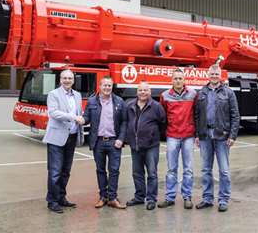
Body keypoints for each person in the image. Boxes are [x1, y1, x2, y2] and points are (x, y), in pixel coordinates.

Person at [195, 64, 240, 212]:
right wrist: (197, 134)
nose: (214, 76)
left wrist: (232, 135)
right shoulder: (201, 92)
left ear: (220, 76)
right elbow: (197, 115)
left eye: (216, 74)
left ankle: (223, 199)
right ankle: (207, 199)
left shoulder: (228, 93)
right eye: (212, 74)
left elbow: (235, 115)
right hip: (205, 136)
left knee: (224, 170)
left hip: (222, 136)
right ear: (208, 75)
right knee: (206, 169)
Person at [43, 69, 85, 214]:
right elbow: (53, 113)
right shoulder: (53, 94)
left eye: (70, 78)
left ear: (73, 80)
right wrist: (73, 117)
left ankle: (61, 197)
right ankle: (52, 201)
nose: (67, 80)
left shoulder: (78, 95)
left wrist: (81, 119)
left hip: (72, 137)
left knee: (66, 171)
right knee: (55, 172)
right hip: (56, 138)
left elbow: (79, 114)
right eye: (64, 78)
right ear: (60, 80)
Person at [83, 76, 127, 209]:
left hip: (114, 142)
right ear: (100, 87)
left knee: (114, 170)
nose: (107, 88)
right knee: (100, 170)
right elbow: (86, 118)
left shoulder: (119, 101)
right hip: (98, 142)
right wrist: (81, 120)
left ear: (112, 87)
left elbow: (125, 122)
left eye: (109, 86)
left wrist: (121, 138)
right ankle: (103, 197)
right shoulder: (92, 101)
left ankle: (112, 197)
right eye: (105, 85)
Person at [157, 69, 196, 209]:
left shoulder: (192, 94)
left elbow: (196, 113)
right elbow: (162, 116)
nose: (178, 81)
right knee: (171, 169)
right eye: (176, 78)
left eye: (180, 78)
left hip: (188, 136)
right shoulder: (165, 96)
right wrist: (164, 133)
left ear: (184, 80)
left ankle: (187, 197)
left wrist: (195, 133)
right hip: (172, 135)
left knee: (188, 169)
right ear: (172, 80)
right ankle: (170, 197)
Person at [125, 81, 166, 210]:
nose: (143, 93)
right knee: (137, 173)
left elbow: (163, 123)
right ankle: (139, 197)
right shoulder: (130, 105)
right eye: (140, 90)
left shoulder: (156, 106)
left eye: (145, 90)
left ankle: (151, 199)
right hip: (135, 145)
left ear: (150, 92)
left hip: (151, 146)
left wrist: (153, 135)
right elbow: (127, 122)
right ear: (137, 92)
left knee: (152, 173)